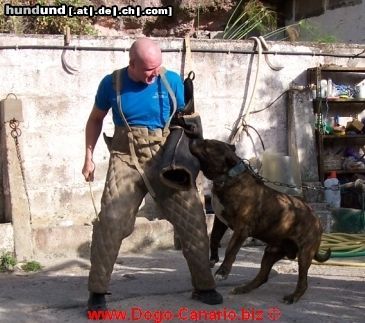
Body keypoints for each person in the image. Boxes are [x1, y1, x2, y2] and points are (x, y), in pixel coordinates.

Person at [82, 38, 223, 310]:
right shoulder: (112, 84)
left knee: (192, 217)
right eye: (148, 70)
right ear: (131, 63)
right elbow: (95, 119)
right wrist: (88, 157)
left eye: (157, 67)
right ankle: (97, 292)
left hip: (166, 156)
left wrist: (195, 160)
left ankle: (204, 285)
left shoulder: (171, 80)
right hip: (126, 157)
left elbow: (188, 123)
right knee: (110, 219)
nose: (153, 75)